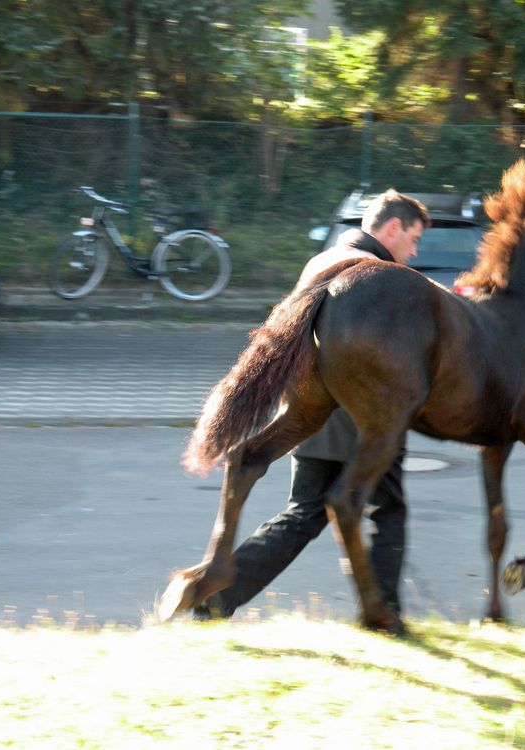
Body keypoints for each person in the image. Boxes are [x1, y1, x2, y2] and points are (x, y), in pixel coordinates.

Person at [194, 190, 429, 628]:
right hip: (357, 413)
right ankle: (386, 614)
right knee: (388, 506)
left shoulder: (327, 257)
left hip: (306, 408)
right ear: (392, 227)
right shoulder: (374, 273)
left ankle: (218, 598)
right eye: (413, 240)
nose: (413, 252)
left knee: (304, 512)